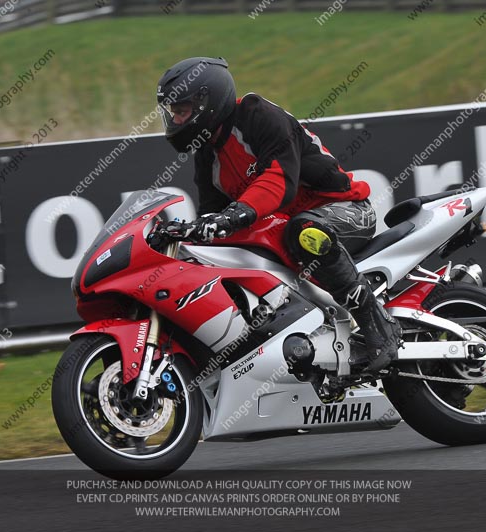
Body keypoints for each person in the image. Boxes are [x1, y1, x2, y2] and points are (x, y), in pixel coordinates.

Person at [156, 57, 401, 372]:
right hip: (286, 227)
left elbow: (279, 180)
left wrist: (237, 213)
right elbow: (211, 214)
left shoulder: (258, 115)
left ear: (207, 102)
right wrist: (190, 233)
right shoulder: (207, 153)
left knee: (304, 231)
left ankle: (377, 325)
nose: (175, 121)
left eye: (181, 111)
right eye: (173, 113)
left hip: (345, 211)